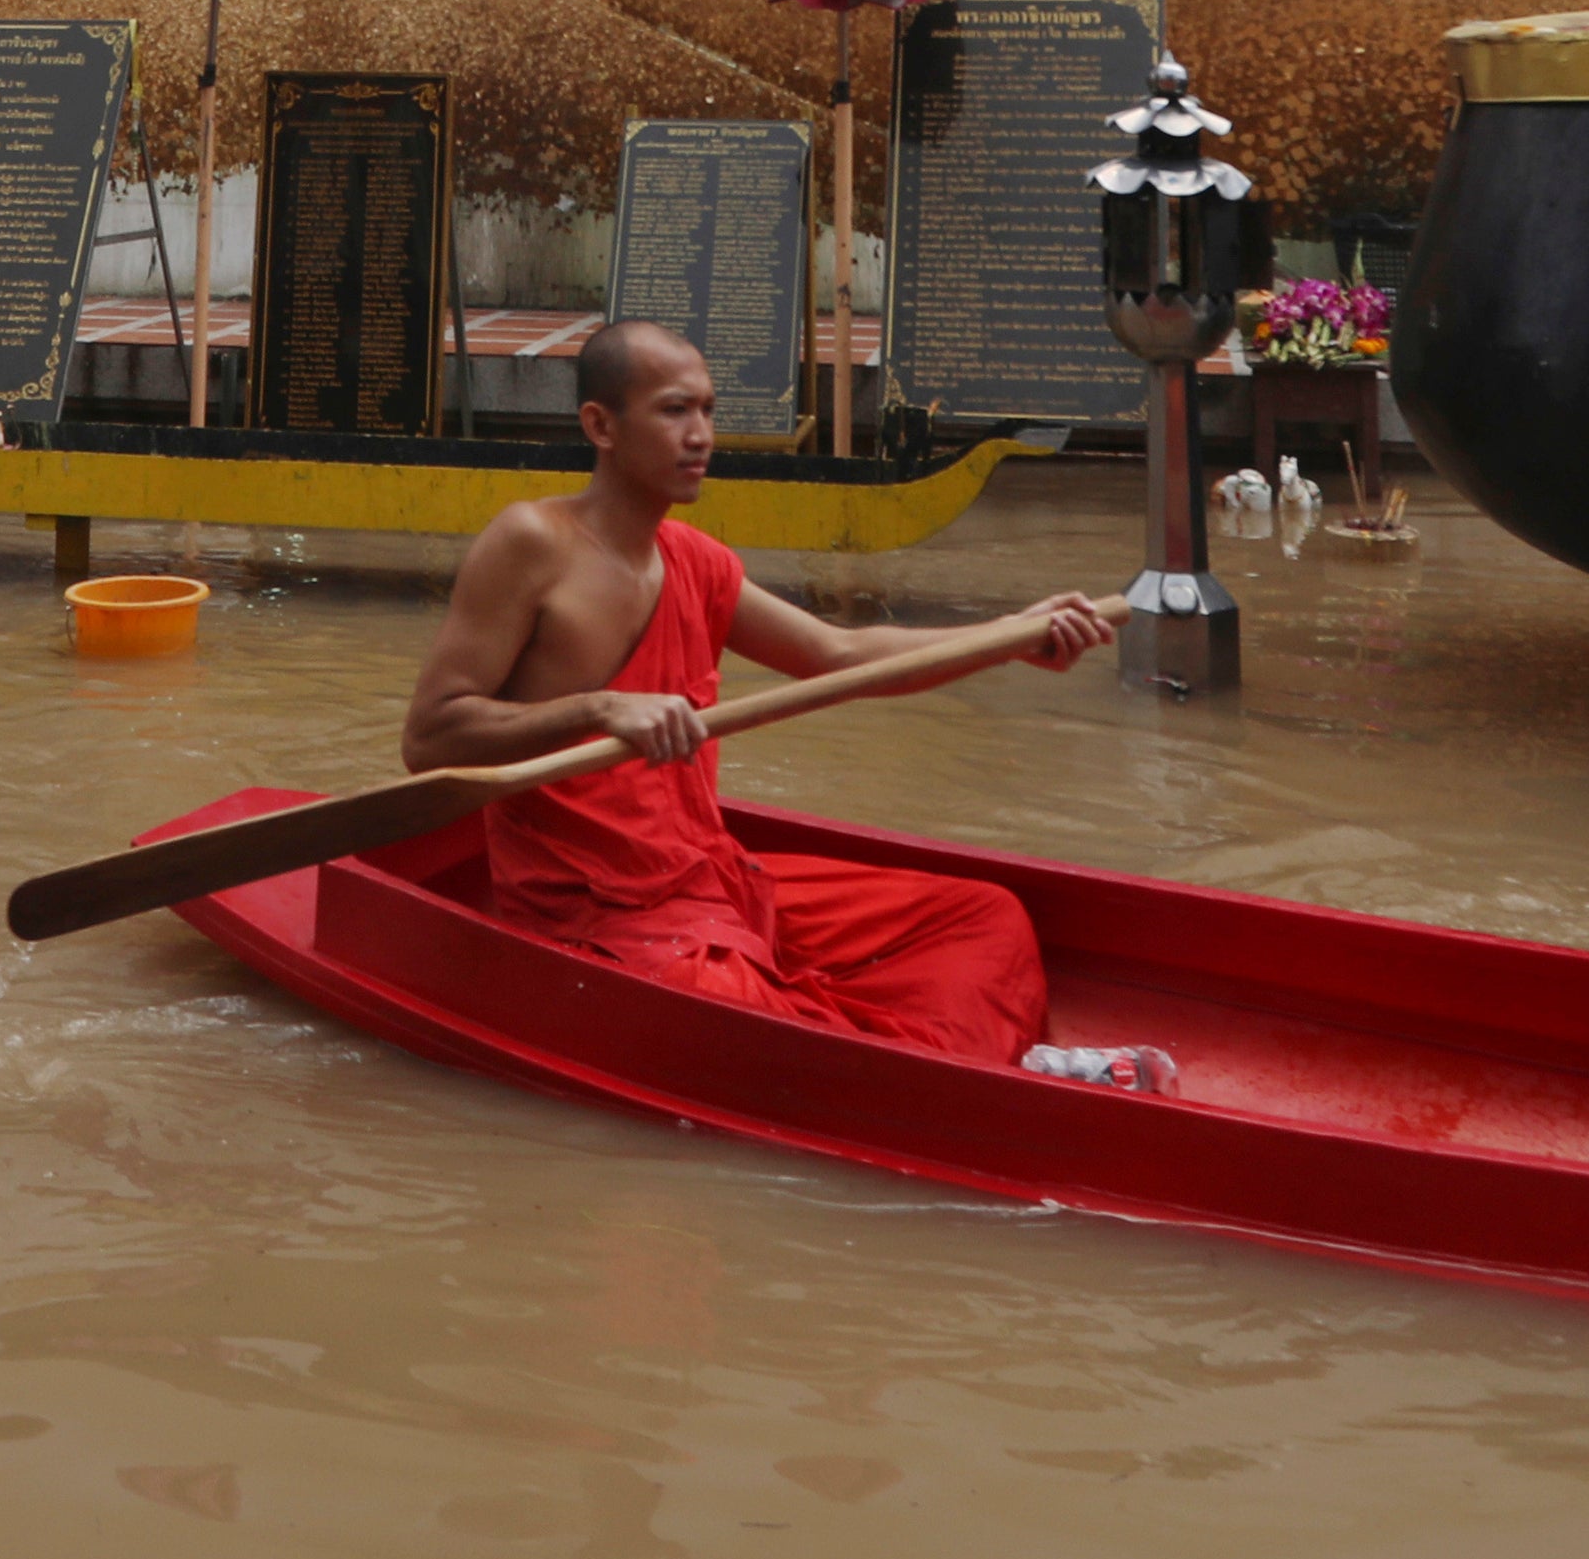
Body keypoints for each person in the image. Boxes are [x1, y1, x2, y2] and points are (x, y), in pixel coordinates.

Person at [400, 320, 1110, 1059]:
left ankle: (941, 1066)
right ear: (600, 426)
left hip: (713, 881)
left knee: (983, 917)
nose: (701, 434)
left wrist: (1009, 638)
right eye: (675, 411)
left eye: (707, 410)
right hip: (602, 917)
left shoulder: (694, 559)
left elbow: (841, 654)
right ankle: (944, 1068)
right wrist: (599, 708)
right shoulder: (532, 543)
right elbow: (430, 739)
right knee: (755, 1021)